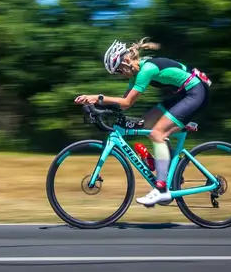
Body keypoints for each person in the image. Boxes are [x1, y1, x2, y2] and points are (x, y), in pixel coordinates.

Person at [74, 37, 211, 207]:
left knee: (157, 133)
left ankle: (161, 189)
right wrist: (97, 106)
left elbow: (127, 103)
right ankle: (165, 166)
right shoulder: (137, 72)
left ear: (126, 60)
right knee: (145, 124)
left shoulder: (147, 70)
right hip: (183, 95)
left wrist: (98, 97)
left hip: (195, 93)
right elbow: (122, 105)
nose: (119, 75)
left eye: (118, 70)